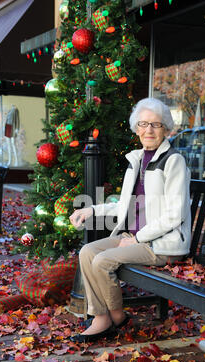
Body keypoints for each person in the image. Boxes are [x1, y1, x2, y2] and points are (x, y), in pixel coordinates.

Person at [69, 97, 191, 343]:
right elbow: (125, 204)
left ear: (166, 129)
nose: (148, 130)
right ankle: (104, 316)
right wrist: (92, 210)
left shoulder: (173, 161)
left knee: (102, 261)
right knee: (87, 253)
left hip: (163, 244)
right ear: (136, 128)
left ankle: (112, 317)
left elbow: (175, 214)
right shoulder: (136, 160)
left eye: (155, 125)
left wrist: (137, 238)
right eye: (143, 124)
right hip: (136, 239)